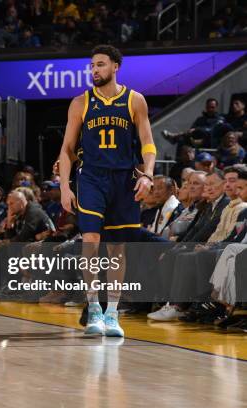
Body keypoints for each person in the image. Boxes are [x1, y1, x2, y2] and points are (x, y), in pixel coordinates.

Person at [58, 45, 155, 338]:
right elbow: (67, 149)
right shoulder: (80, 102)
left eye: (100, 64)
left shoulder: (135, 100)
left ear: (115, 67)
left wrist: (148, 175)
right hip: (91, 178)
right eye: (92, 66)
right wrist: (64, 187)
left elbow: (148, 144)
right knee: (91, 240)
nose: (94, 70)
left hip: (123, 179)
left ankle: (113, 313)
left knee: (117, 248)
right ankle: (94, 310)